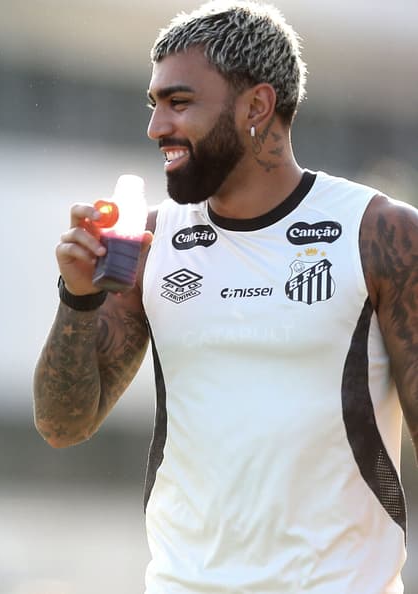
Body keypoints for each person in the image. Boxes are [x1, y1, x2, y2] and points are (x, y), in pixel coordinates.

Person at [33, 1, 418, 592]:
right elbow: (63, 424)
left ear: (256, 107)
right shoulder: (150, 242)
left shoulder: (379, 233)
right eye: (155, 104)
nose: (156, 127)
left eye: (179, 102)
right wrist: (78, 299)